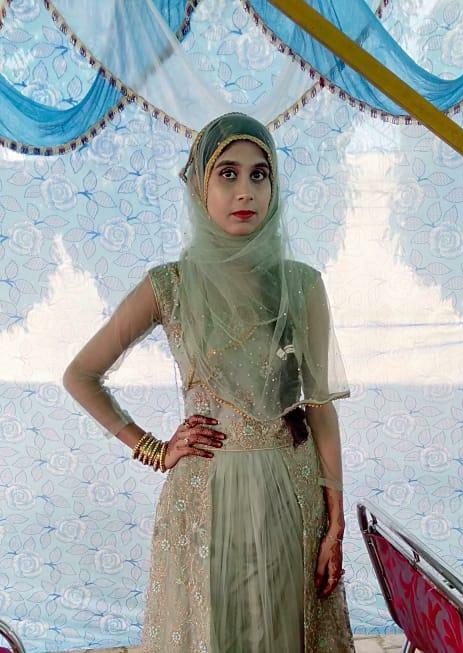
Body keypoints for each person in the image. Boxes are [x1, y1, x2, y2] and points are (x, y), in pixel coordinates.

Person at [63, 112, 354, 652]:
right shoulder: (170, 285)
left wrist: (335, 518)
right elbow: (81, 375)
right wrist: (153, 448)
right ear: (200, 186)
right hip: (204, 500)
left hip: (291, 495)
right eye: (227, 174)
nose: (245, 191)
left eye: (259, 174)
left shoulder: (301, 284)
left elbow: (319, 406)